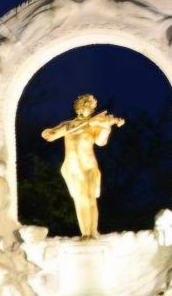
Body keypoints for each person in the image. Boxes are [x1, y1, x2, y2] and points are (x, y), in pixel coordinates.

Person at [41, 94, 125, 238]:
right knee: (80, 200)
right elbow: (48, 136)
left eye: (92, 106)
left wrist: (106, 127)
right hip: (72, 167)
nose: (91, 109)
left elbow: (101, 142)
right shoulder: (67, 124)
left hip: (88, 166)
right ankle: (85, 233)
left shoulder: (95, 125)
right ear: (79, 108)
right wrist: (58, 130)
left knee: (90, 198)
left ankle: (93, 232)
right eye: (87, 105)